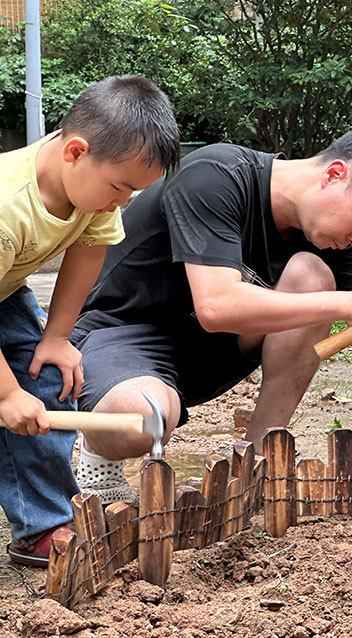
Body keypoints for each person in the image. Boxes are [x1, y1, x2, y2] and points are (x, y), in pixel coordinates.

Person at [71, 125, 352, 504]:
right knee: (145, 415)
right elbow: (216, 306)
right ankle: (96, 449)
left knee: (312, 275)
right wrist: (347, 304)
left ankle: (253, 462)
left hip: (208, 355)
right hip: (123, 335)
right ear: (334, 174)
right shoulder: (217, 176)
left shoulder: (328, 237)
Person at [0, 75, 180, 566]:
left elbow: (87, 251)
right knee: (13, 397)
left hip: (5, 293)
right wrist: (6, 393)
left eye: (134, 192)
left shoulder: (92, 194)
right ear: (75, 151)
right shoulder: (7, 207)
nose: (123, 201)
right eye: (121, 187)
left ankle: (43, 526)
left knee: (49, 384)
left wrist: (56, 337)